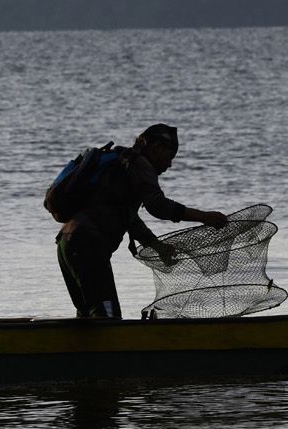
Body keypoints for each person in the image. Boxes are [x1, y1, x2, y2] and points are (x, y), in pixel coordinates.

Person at [55, 123, 227, 319]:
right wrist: (204, 217)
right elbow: (158, 206)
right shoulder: (140, 164)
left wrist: (157, 246)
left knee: (88, 316)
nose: (169, 165)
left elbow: (128, 218)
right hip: (88, 246)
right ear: (156, 149)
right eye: (169, 157)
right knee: (106, 318)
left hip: (67, 244)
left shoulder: (123, 163)